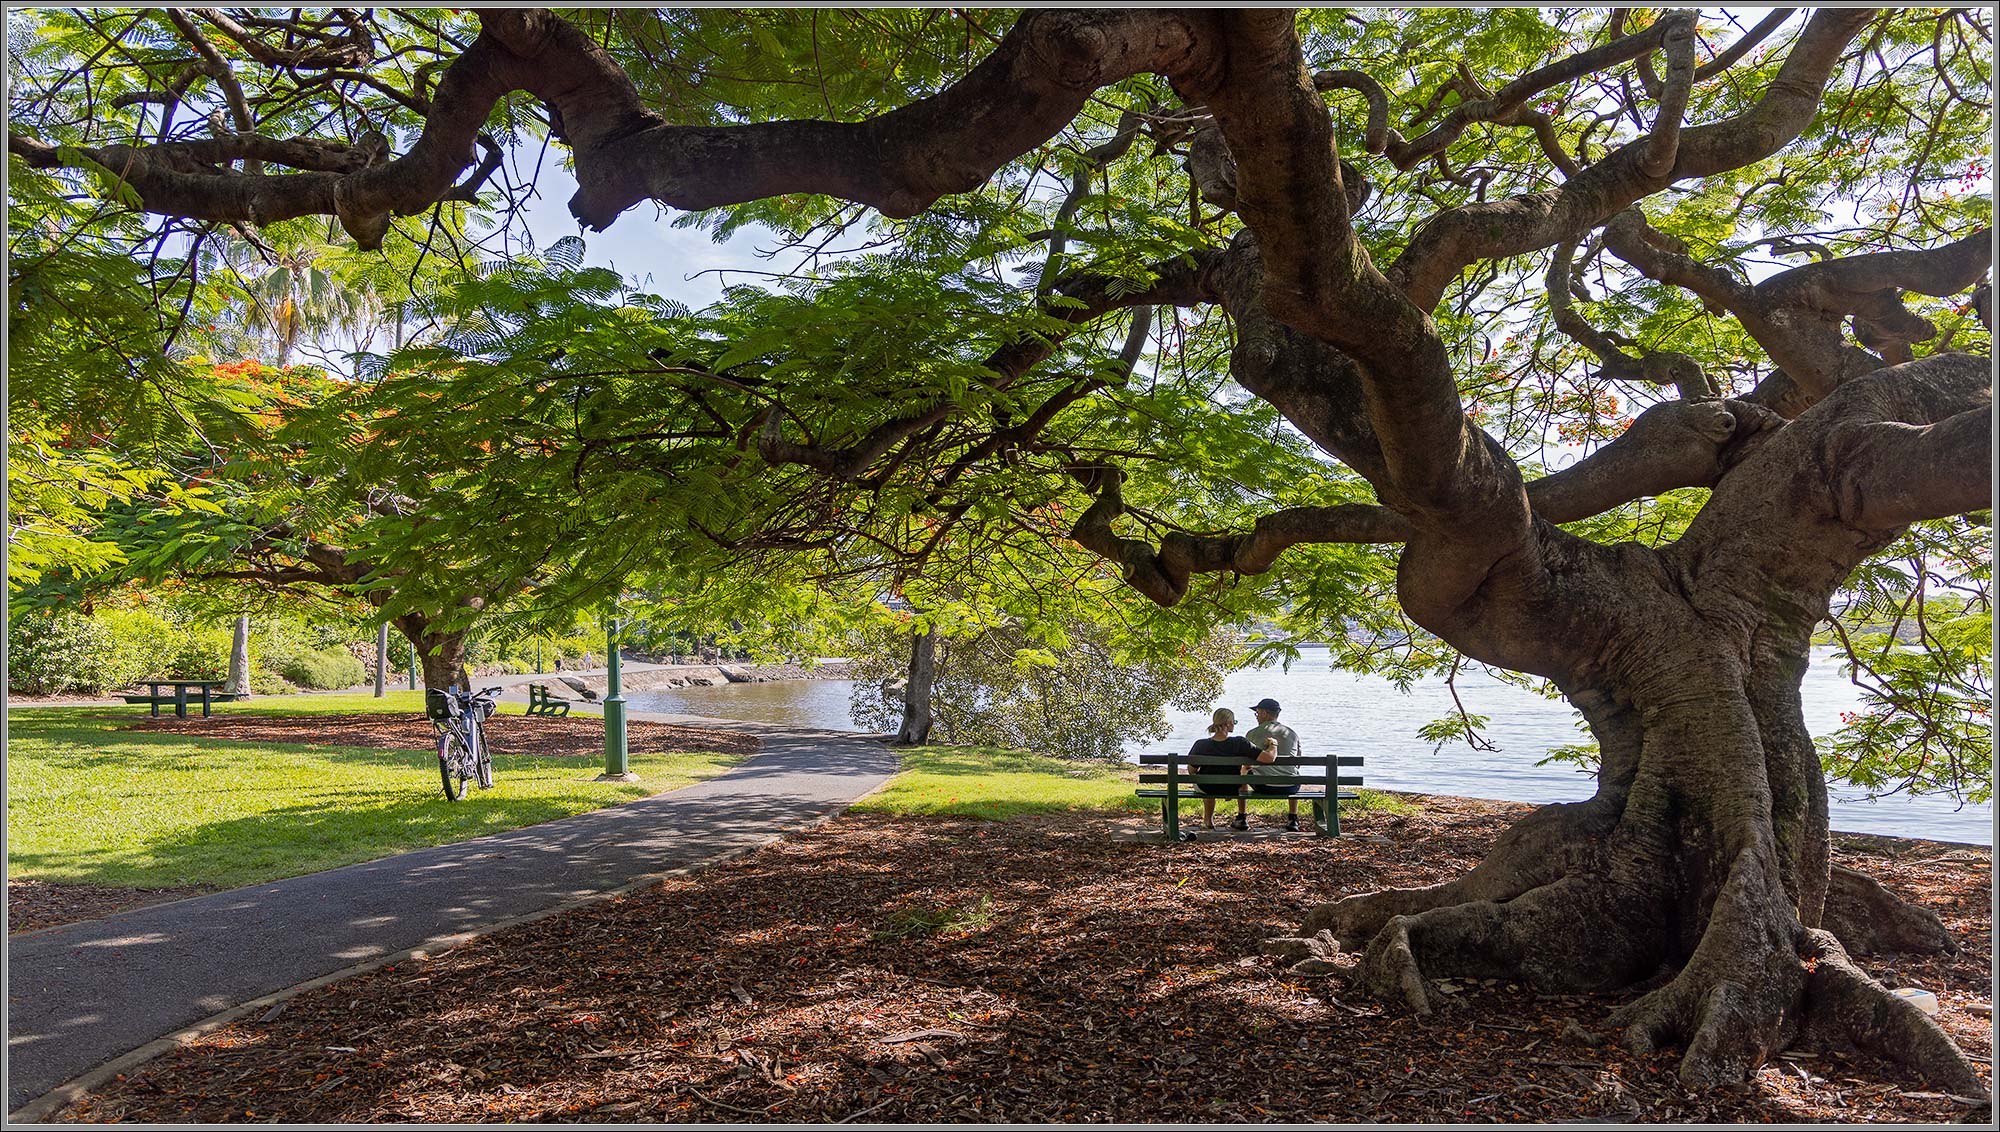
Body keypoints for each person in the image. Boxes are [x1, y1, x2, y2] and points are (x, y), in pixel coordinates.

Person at [1184, 708, 1270, 833]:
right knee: (1242, 774)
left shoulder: (1200, 744)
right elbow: (1267, 758)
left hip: (1206, 787)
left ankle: (1208, 821)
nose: (1234, 724)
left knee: (1204, 779)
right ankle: (1242, 816)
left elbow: (1191, 771)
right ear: (1228, 723)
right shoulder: (1240, 742)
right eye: (1234, 722)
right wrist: (1273, 745)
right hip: (1232, 788)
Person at [1243, 697, 1305, 831]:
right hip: (1291, 786)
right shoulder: (1292, 734)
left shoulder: (1253, 733)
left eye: (1257, 713)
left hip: (1265, 786)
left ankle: (1241, 817)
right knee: (1293, 773)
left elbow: (1246, 762)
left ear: (1265, 713)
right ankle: (1293, 819)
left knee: (1244, 771)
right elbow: (1297, 764)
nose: (1257, 717)